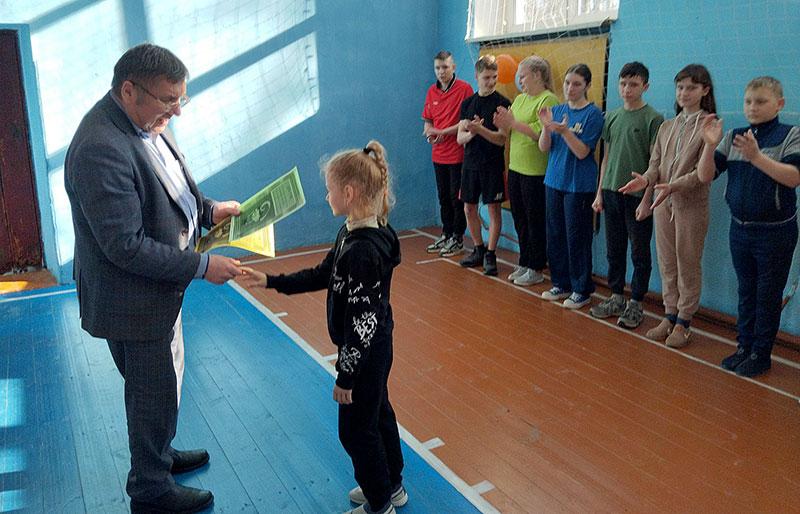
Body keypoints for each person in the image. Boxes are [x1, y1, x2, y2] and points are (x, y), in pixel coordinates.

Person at [64, 44, 243, 513]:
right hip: (131, 299)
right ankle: (150, 489)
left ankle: (159, 455)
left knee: (160, 388)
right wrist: (202, 266)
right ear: (129, 91)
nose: (176, 111)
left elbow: (171, 187)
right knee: (150, 393)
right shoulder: (100, 147)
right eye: (168, 100)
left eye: (181, 99)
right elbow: (125, 245)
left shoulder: (146, 123)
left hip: (156, 291)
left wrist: (209, 211)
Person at [241, 141, 406, 514]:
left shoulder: (363, 250)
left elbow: (362, 323)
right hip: (375, 346)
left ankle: (380, 503)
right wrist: (271, 281)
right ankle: (391, 484)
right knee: (378, 413)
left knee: (355, 430)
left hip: (366, 352)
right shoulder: (353, 232)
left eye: (330, 189)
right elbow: (323, 274)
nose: (326, 196)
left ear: (349, 193)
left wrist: (346, 377)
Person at [698, 76, 800, 377]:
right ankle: (744, 347)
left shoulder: (790, 134)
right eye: (748, 102)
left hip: (775, 232)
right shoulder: (734, 136)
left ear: (779, 104)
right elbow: (705, 175)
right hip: (740, 229)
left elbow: (793, 177)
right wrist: (709, 146)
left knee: (767, 295)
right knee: (746, 292)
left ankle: (760, 353)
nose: (752, 107)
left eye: (761, 101)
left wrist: (756, 157)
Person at [619, 64, 716, 347]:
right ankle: (670, 315)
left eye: (691, 88)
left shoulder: (709, 125)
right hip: (663, 205)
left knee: (688, 263)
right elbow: (656, 166)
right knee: (667, 263)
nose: (684, 93)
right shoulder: (667, 126)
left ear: (705, 90)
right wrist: (646, 182)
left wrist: (673, 186)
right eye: (680, 87)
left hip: (691, 206)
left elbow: (701, 174)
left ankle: (684, 321)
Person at [590, 62, 664, 328]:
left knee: (640, 252)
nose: (627, 89)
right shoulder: (611, 117)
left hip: (637, 197)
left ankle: (636, 303)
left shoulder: (653, 119)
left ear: (645, 86)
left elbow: (656, 163)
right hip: (611, 192)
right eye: (623, 84)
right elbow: (607, 157)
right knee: (615, 249)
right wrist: (600, 193)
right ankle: (616, 297)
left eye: (633, 84)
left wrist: (647, 199)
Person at [537, 64, 604, 308]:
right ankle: (561, 283)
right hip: (554, 181)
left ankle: (581, 289)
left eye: (576, 84)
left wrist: (565, 131)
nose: (570, 88)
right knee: (555, 234)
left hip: (579, 185)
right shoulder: (556, 110)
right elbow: (544, 147)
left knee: (577, 237)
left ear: (587, 85)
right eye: (567, 83)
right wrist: (547, 128)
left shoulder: (593, 114)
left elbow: (583, 152)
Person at [493, 56, 559, 286]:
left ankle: (536, 266)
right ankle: (525, 260)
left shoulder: (548, 99)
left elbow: (540, 133)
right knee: (519, 217)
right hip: (515, 168)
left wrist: (513, 123)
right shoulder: (520, 99)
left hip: (535, 171)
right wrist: (502, 123)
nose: (519, 81)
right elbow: (510, 129)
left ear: (537, 75)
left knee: (534, 220)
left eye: (523, 76)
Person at [457, 55, 511, 276]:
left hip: (492, 165)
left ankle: (491, 253)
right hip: (470, 164)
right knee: (468, 208)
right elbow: (460, 138)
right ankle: (478, 249)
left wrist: (481, 130)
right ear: (477, 77)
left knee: (493, 209)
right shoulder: (468, 104)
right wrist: (472, 132)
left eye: (494, 77)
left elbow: (501, 138)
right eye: (486, 77)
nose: (491, 81)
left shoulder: (503, 103)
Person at [422, 50, 474, 257]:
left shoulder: (465, 89)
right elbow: (428, 121)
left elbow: (467, 122)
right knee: (443, 197)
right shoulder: (431, 91)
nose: (441, 71)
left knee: (455, 198)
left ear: (453, 67)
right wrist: (430, 133)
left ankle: (458, 238)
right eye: (438, 68)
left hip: (458, 155)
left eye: (445, 67)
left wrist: (443, 132)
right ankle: (447, 233)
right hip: (438, 155)